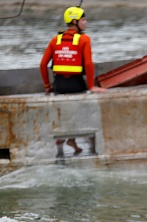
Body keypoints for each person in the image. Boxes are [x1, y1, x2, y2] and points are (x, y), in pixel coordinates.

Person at [39, 6, 107, 154]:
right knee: (84, 110)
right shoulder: (84, 39)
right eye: (83, 20)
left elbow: (43, 64)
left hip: (59, 85)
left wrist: (46, 85)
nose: (86, 22)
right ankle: (83, 138)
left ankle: (66, 139)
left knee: (64, 111)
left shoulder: (55, 40)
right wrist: (91, 86)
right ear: (75, 21)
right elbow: (88, 64)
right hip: (77, 84)